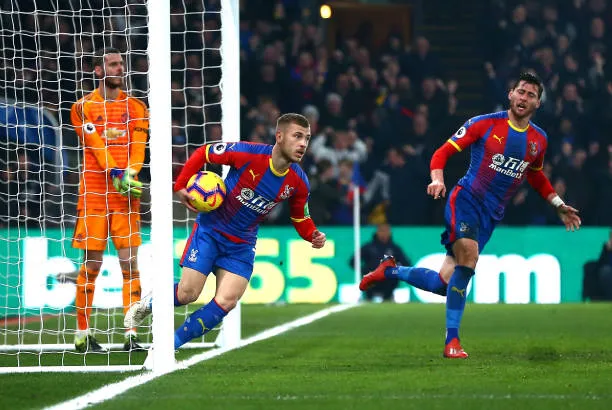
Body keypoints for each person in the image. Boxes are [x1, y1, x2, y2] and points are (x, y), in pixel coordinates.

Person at [360, 72, 582, 358]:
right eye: (521, 92)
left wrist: (558, 203)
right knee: (469, 257)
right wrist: (437, 179)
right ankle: (452, 341)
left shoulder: (539, 140)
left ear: (538, 103)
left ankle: (390, 270)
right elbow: (442, 153)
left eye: (531, 95)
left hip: (491, 215)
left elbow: (536, 175)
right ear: (510, 94)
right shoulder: (484, 124)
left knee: (445, 282)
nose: (524, 98)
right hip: (465, 200)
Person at [124, 113, 326, 350]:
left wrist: (311, 234)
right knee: (188, 293)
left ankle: (169, 346)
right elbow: (204, 152)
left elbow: (300, 216)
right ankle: (150, 304)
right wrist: (180, 186)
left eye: (307, 138)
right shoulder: (248, 153)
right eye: (297, 136)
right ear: (279, 136)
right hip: (211, 230)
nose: (303, 143)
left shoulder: (298, 182)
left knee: (227, 301)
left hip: (242, 243)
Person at [70, 47, 149, 353]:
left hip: (124, 198)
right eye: (113, 65)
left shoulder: (138, 107)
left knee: (130, 264)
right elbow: (94, 144)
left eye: (121, 64)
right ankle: (82, 334)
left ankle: (131, 332)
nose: (119, 69)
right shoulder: (82, 107)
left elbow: (138, 148)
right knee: (91, 264)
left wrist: (129, 173)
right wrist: (115, 170)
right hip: (92, 195)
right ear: (99, 71)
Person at [350, 223, 411, 302]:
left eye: (386, 231)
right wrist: (364, 270)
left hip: (388, 280)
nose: (384, 233)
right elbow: (353, 261)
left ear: (390, 233)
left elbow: (406, 263)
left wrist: (396, 271)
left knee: (392, 278)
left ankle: (388, 299)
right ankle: (369, 300)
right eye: (382, 231)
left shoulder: (395, 248)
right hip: (372, 279)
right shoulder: (368, 247)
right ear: (377, 232)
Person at [582, 230, 612, 301]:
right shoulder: (607, 247)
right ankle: (594, 298)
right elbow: (602, 262)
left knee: (606, 272)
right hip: (607, 270)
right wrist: (608, 250)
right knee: (590, 267)